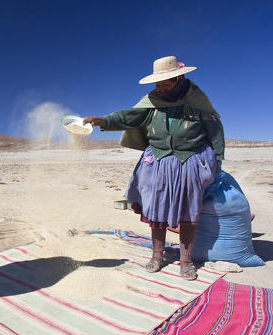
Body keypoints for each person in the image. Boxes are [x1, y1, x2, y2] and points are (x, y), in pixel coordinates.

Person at [83, 56, 224, 280]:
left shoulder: (197, 101)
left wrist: (217, 162)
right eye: (157, 84)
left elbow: (215, 131)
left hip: (189, 161)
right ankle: (157, 256)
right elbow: (130, 117)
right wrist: (104, 120)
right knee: (155, 209)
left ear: (179, 77)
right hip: (157, 161)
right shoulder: (152, 100)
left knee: (188, 212)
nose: (160, 88)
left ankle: (186, 261)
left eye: (165, 83)